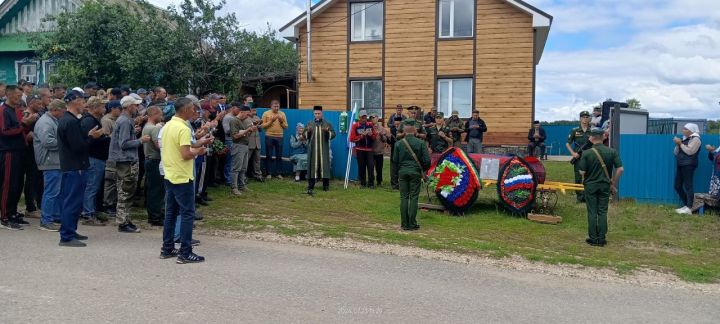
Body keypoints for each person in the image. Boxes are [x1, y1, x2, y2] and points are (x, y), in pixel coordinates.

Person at [160, 97, 207, 263]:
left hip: (170, 173)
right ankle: (185, 252)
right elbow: (186, 154)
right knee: (187, 214)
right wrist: (198, 152)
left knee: (171, 213)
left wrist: (197, 143)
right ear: (186, 109)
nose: (194, 112)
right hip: (182, 175)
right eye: (193, 109)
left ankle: (167, 248)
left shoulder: (168, 126)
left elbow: (179, 147)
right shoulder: (183, 128)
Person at [56, 90, 104, 246]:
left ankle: (70, 230)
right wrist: (91, 137)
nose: (84, 103)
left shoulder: (70, 120)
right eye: (82, 100)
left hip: (74, 166)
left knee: (74, 202)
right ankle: (66, 236)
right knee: (72, 201)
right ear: (75, 101)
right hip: (74, 166)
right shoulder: (69, 122)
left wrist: (87, 135)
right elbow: (78, 147)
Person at [108, 94, 151, 233]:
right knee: (125, 191)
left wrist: (134, 132)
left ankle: (125, 219)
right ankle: (122, 222)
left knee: (127, 190)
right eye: (136, 105)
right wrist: (140, 140)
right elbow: (124, 144)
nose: (137, 108)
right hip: (125, 161)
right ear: (129, 106)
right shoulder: (125, 121)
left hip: (125, 160)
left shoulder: (126, 120)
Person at [578, 128, 624, 246]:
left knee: (592, 211)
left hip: (590, 186)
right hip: (605, 186)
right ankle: (602, 238)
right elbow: (620, 169)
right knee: (602, 211)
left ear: (592, 138)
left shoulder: (586, 153)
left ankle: (593, 238)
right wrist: (613, 182)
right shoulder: (612, 152)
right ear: (603, 137)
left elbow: (582, 172)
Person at [0, 85, 37, 230]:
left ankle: (13, 212)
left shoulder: (16, 110)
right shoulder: (3, 110)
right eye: (16, 95)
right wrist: (23, 124)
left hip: (20, 150)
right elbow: (5, 132)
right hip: (8, 151)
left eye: (20, 95)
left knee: (17, 184)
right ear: (8, 95)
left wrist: (27, 124)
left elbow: (21, 129)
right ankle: (4, 216)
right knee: (7, 185)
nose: (19, 97)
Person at [33, 99, 66, 231]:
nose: (63, 114)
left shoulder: (52, 120)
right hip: (49, 161)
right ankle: (46, 220)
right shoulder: (45, 122)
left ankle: (54, 216)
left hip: (54, 161)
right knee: (51, 192)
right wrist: (65, 142)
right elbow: (48, 142)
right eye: (62, 111)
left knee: (56, 191)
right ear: (55, 110)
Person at [79, 96, 112, 226]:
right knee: (91, 187)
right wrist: (107, 138)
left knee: (92, 186)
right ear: (94, 107)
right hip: (93, 158)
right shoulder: (89, 121)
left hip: (96, 158)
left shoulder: (92, 120)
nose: (104, 109)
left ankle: (89, 211)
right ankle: (88, 214)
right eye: (102, 106)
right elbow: (90, 141)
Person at [393, 124, 430, 231]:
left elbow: (395, 160)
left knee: (404, 197)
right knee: (414, 197)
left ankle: (404, 223)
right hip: (415, 172)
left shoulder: (398, 144)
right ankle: (412, 223)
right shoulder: (421, 143)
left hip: (403, 172)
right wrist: (423, 169)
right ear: (415, 132)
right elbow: (427, 161)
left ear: (404, 132)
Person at [305, 106, 336, 195]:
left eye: (319, 113)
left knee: (324, 166)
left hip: (323, 149)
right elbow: (305, 135)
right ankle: (311, 186)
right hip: (313, 150)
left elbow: (333, 134)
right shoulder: (310, 123)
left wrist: (327, 132)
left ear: (322, 113)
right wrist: (308, 131)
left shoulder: (327, 124)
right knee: (312, 166)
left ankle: (325, 186)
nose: (317, 115)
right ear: (313, 114)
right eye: (315, 113)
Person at [142, 105, 165, 226]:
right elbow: (158, 145)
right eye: (160, 115)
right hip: (154, 160)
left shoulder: (146, 127)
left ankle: (153, 214)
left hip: (148, 159)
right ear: (154, 114)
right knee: (156, 190)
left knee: (151, 189)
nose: (161, 117)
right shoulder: (154, 128)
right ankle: (155, 216)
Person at [22, 95, 44, 218]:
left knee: (36, 179)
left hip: (35, 151)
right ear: (31, 104)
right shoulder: (27, 115)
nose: (41, 107)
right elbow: (25, 134)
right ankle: (30, 207)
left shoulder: (37, 115)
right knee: (31, 179)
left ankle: (36, 205)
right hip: (28, 152)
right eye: (38, 104)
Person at [673, 123, 701, 215]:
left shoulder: (696, 139)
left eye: (685, 129)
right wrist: (678, 144)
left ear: (691, 130)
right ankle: (687, 205)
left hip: (689, 165)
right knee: (677, 186)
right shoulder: (684, 139)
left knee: (688, 186)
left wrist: (680, 144)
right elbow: (676, 153)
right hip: (681, 164)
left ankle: (689, 207)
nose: (683, 130)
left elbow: (690, 151)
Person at [229, 105, 255, 195]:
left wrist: (249, 131)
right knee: (236, 168)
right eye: (247, 114)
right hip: (238, 146)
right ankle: (234, 188)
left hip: (244, 146)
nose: (247, 116)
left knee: (243, 168)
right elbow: (235, 136)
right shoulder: (234, 121)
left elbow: (243, 134)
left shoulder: (240, 121)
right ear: (242, 112)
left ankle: (242, 186)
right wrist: (248, 129)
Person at [566, 111, 592, 203]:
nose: (585, 119)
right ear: (580, 118)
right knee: (578, 177)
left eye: (587, 117)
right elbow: (567, 143)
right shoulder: (575, 130)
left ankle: (587, 195)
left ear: (589, 119)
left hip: (589, 157)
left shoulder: (592, 131)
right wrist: (573, 153)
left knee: (588, 176)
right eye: (583, 117)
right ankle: (579, 196)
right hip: (578, 157)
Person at [102, 100, 122, 216]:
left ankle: (112, 203)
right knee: (110, 180)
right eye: (119, 108)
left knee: (115, 180)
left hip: (117, 154)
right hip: (109, 154)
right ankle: (108, 204)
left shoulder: (118, 120)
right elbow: (106, 136)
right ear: (113, 108)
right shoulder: (106, 120)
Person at [261, 99, 288, 179]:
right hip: (269, 136)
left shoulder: (282, 114)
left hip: (280, 137)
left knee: (279, 156)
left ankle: (278, 173)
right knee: (269, 155)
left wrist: (281, 121)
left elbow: (286, 126)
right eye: (275, 106)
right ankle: (269, 173)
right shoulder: (266, 113)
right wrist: (271, 121)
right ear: (271, 106)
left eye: (278, 106)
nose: (276, 108)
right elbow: (263, 126)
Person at [349, 110, 377, 188]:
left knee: (371, 166)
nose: (364, 119)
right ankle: (363, 183)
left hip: (369, 150)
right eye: (362, 117)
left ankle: (371, 184)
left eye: (365, 117)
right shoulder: (355, 126)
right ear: (359, 118)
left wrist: (371, 135)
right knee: (361, 166)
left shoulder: (370, 125)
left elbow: (375, 136)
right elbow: (352, 138)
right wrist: (361, 136)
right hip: (360, 149)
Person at [370, 115, 387, 187]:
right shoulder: (369, 127)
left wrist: (382, 135)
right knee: (371, 167)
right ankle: (371, 181)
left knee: (379, 168)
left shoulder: (381, 128)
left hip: (379, 151)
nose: (372, 119)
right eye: (371, 118)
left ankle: (379, 182)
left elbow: (385, 139)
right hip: (371, 151)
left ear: (377, 118)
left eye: (374, 118)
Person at [388, 116, 403, 190]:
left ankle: (402, 185)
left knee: (401, 170)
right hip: (394, 152)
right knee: (393, 170)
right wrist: (388, 138)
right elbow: (390, 142)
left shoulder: (404, 131)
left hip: (402, 153)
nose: (396, 126)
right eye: (395, 124)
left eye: (398, 124)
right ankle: (394, 185)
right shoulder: (392, 130)